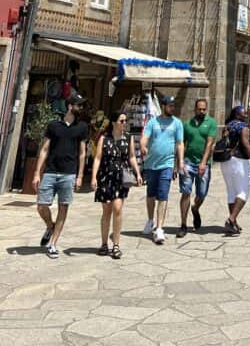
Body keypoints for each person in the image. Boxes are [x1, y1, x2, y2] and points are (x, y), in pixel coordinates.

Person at [34, 92, 88, 259]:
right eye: (79, 105)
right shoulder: (53, 125)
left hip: (69, 173)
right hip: (50, 171)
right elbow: (44, 149)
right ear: (70, 106)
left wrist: (80, 176)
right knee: (41, 205)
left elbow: (82, 153)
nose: (81, 108)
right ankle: (50, 226)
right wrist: (37, 173)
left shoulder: (82, 127)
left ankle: (53, 244)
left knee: (63, 208)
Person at [90, 109, 142, 259]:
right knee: (106, 211)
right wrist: (93, 177)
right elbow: (98, 158)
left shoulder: (128, 138)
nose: (124, 123)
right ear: (114, 122)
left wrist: (138, 173)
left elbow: (132, 157)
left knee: (118, 209)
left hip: (120, 179)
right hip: (105, 178)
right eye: (121, 121)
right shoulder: (104, 138)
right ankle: (104, 243)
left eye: (126, 121)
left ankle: (116, 245)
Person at [140, 95, 185, 244]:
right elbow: (145, 137)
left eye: (174, 106)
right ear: (164, 106)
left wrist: (180, 162)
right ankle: (150, 220)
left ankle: (159, 228)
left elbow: (180, 143)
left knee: (163, 196)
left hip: (167, 164)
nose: (172, 108)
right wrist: (143, 146)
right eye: (170, 106)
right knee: (151, 195)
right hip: (151, 164)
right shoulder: (153, 122)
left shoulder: (177, 123)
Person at [177, 98, 217, 238]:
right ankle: (183, 225)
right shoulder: (187, 124)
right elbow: (182, 143)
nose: (201, 111)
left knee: (202, 193)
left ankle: (195, 208)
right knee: (186, 192)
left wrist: (203, 163)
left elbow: (209, 143)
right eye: (199, 109)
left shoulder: (211, 123)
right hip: (188, 161)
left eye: (204, 109)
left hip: (203, 162)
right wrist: (180, 162)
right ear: (195, 109)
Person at [218, 105, 250, 235]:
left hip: (226, 161)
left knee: (231, 192)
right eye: (243, 113)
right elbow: (246, 143)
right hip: (240, 161)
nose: (246, 115)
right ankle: (231, 219)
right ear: (237, 115)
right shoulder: (242, 127)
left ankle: (233, 222)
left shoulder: (228, 126)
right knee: (243, 192)